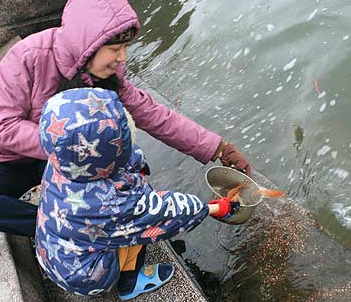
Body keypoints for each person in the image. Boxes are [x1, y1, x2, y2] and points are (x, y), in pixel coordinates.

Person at [0, 0, 251, 237]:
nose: (122, 58)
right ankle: (54, 231)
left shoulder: (106, 74)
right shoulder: (25, 59)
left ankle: (93, 224)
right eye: (115, 49)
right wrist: (74, 148)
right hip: (11, 161)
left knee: (132, 164)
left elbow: (153, 115)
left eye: (125, 48)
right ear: (88, 44)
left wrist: (218, 147)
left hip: (75, 162)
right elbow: (1, 128)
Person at [36, 87, 238, 299]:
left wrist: (134, 162)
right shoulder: (111, 203)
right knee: (141, 222)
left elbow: (112, 158)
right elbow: (167, 212)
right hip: (86, 276)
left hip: (54, 253)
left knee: (132, 192)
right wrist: (217, 207)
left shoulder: (63, 160)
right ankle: (128, 283)